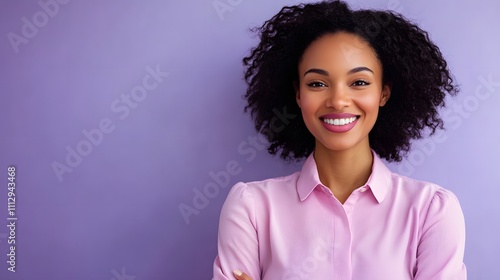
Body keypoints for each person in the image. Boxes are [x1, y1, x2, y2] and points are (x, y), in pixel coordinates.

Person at [212, 0, 467, 279]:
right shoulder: (251, 207)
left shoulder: (432, 211)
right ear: (298, 94)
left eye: (359, 82)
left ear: (384, 92)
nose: (338, 101)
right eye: (317, 84)